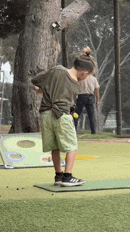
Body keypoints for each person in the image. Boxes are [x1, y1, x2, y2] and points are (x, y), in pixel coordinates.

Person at [31, 47, 96, 187]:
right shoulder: (76, 84)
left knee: (55, 146)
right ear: (84, 72)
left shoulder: (57, 70)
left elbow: (37, 81)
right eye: (87, 76)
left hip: (45, 115)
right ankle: (68, 176)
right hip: (62, 116)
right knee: (72, 146)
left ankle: (58, 176)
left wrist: (40, 88)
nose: (85, 78)